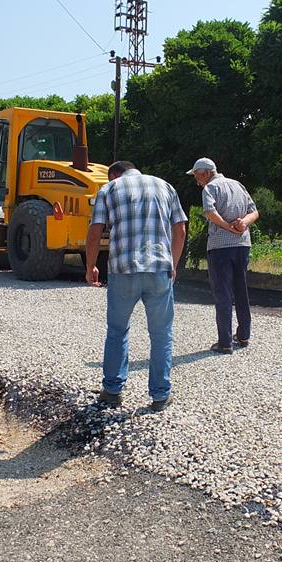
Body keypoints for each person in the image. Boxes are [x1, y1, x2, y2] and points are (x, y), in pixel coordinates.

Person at [85, 160, 188, 412]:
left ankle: (112, 391)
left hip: (123, 270)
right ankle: (160, 396)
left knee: (117, 331)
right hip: (159, 269)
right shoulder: (165, 186)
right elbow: (181, 230)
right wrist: (172, 264)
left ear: (114, 174)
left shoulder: (109, 190)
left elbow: (95, 231)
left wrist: (90, 266)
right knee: (161, 334)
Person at [189, 157, 259, 354]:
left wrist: (227, 226)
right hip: (242, 244)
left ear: (206, 173)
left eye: (196, 176)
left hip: (220, 246)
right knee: (240, 290)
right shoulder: (238, 185)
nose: (197, 181)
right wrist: (243, 223)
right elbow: (254, 212)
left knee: (223, 293)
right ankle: (244, 334)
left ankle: (225, 341)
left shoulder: (210, 188)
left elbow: (209, 211)